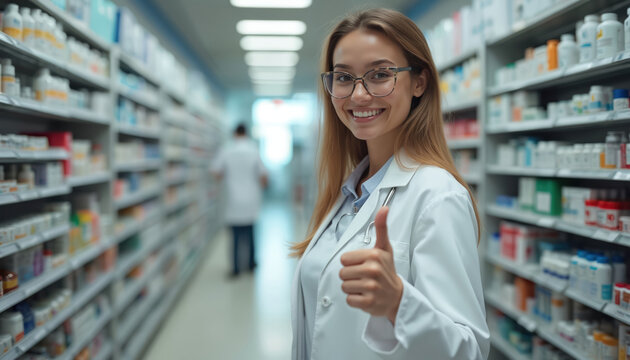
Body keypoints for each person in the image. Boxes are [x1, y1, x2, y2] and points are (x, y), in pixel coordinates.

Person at [290, 8, 489, 359]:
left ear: (419, 82)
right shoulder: (350, 191)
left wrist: (399, 303)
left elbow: (469, 350)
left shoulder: (437, 197)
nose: (359, 95)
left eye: (380, 74)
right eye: (343, 77)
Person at [212, 123, 268, 277]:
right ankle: (250, 264)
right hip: (251, 198)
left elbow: (216, 173)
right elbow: (264, 176)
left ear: (235, 133)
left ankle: (236, 268)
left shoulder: (226, 150)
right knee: (250, 233)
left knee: (235, 235)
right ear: (246, 133)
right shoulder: (253, 150)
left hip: (233, 198)